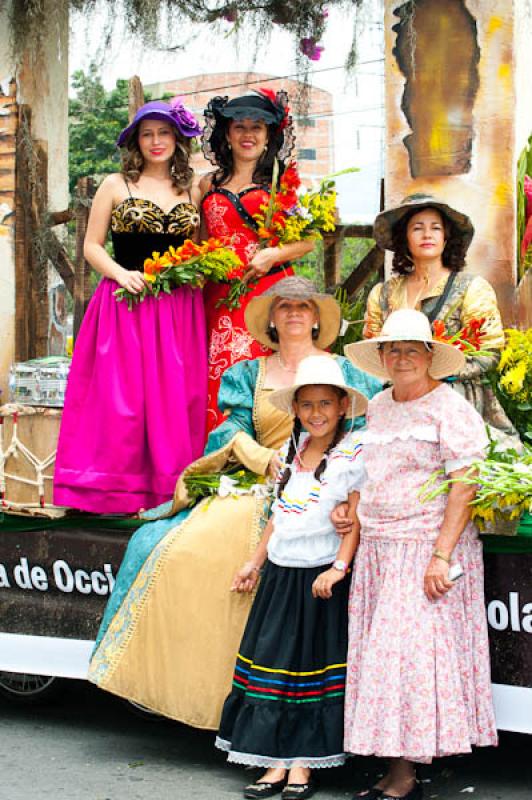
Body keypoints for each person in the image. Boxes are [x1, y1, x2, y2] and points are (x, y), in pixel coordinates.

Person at [87, 277, 381, 731]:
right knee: (174, 547)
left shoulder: (347, 373)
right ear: (272, 319)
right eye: (284, 306)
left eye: (304, 306)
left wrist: (349, 494)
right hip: (264, 482)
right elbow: (229, 431)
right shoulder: (248, 374)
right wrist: (264, 460)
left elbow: (368, 433)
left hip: (329, 484)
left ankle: (266, 704)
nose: (295, 313)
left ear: (319, 317)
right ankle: (196, 692)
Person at [341, 309, 497, 800]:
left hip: (425, 548)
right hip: (379, 549)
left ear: (430, 355)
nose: (401, 357)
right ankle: (394, 768)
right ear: (382, 357)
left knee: (403, 659)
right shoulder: (380, 406)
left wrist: (440, 555)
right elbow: (369, 475)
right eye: (393, 349)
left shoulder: (449, 407)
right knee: (386, 662)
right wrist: (349, 512)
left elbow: (465, 484)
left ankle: (407, 775)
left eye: (412, 348)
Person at [216, 355, 367, 800]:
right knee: (276, 666)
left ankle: (302, 765)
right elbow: (278, 516)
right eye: (306, 405)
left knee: (310, 671)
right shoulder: (293, 450)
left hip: (319, 580)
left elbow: (354, 517)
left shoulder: (352, 453)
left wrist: (338, 567)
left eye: (325, 403)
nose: (315, 413)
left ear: (342, 405)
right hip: (281, 576)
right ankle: (274, 761)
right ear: (296, 410)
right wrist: (254, 562)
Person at [54, 99, 206, 514]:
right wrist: (121, 274)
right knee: (120, 400)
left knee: (173, 397)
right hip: (126, 303)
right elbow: (90, 246)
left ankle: (169, 493)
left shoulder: (193, 187)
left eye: (164, 133)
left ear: (178, 138)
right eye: (147, 134)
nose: (156, 142)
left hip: (179, 308)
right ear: (136, 142)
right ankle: (108, 493)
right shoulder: (115, 184)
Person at [365, 193, 519, 449]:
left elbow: (489, 352)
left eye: (435, 228)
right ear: (404, 237)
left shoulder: (471, 288)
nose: (428, 235)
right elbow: (372, 351)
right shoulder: (383, 294)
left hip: (459, 402)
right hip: (397, 401)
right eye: (418, 228)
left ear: (446, 238)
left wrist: (436, 374)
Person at [200, 89, 314, 431]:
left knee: (264, 372)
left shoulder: (283, 184)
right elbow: (200, 240)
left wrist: (274, 255)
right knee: (216, 372)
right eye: (239, 127)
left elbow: (308, 240)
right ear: (227, 135)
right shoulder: (207, 184)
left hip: (267, 290)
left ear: (269, 137)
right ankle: (219, 459)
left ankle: (269, 462)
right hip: (219, 294)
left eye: (257, 128)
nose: (248, 135)